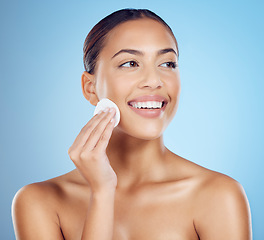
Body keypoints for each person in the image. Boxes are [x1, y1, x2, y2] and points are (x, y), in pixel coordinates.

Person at [12, 8, 252, 240]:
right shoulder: (39, 201)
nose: (154, 80)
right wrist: (102, 192)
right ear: (90, 88)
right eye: (130, 63)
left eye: (168, 63)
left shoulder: (218, 195)